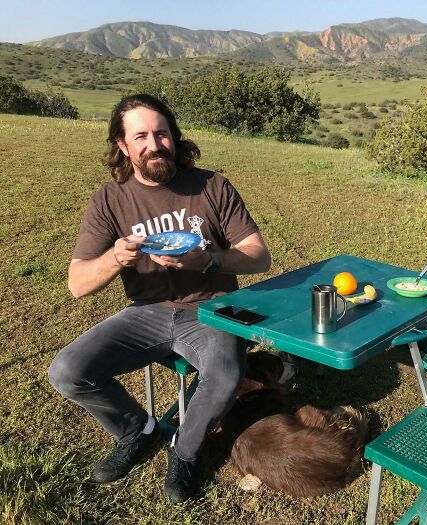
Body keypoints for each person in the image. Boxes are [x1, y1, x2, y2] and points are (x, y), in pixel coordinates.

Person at [48, 94, 271, 503]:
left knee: (223, 374)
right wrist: (116, 256)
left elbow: (259, 255)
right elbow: (77, 284)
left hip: (212, 307)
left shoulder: (212, 186)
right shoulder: (109, 200)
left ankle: (183, 453)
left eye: (162, 133)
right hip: (146, 312)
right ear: (123, 145)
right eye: (141, 136)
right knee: (67, 371)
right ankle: (139, 430)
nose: (154, 144)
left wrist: (208, 260)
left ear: (174, 136)